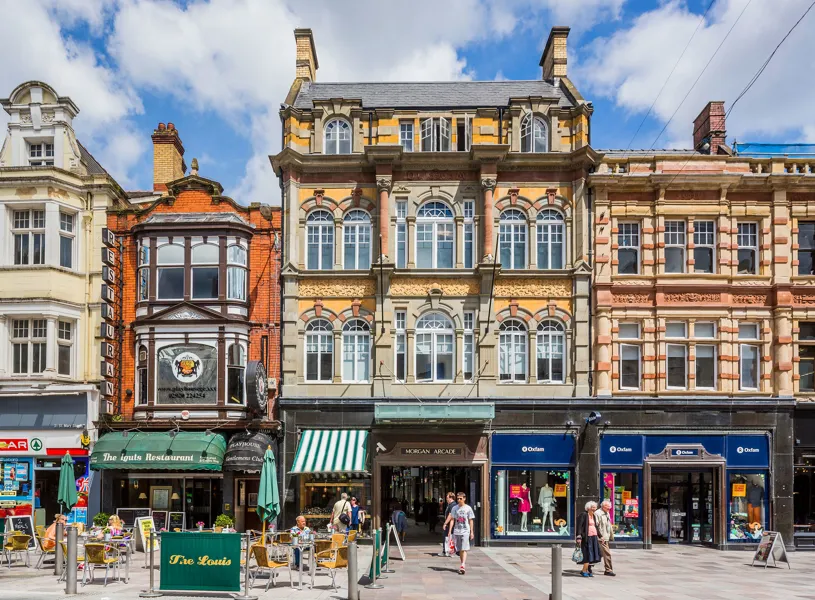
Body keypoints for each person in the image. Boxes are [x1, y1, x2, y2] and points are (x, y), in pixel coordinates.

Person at [444, 491, 475, 575]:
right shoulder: (455, 508)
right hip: (457, 531)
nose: (459, 500)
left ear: (464, 499)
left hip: (465, 531)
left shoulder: (468, 508)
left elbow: (471, 520)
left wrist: (472, 532)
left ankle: (462, 565)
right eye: (458, 499)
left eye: (460, 499)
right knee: (460, 549)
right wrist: (450, 531)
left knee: (464, 548)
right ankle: (462, 563)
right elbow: (452, 519)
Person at [575, 501, 602, 577]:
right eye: (593, 507)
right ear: (588, 508)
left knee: (592, 554)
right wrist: (579, 536)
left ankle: (588, 569)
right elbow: (579, 526)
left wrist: (600, 536)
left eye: (595, 507)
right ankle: (584, 570)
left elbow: (596, 527)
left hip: (594, 537)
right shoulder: (583, 515)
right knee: (587, 553)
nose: (595, 508)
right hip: (586, 537)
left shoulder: (593, 515)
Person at [594, 499, 616, 576]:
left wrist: (611, 535)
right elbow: (596, 526)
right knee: (607, 554)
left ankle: (588, 567)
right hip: (601, 537)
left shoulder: (607, 513)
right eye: (608, 507)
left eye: (610, 507)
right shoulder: (597, 513)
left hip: (606, 537)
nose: (609, 509)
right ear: (603, 506)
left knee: (598, 553)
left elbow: (608, 525)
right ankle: (608, 570)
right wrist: (600, 536)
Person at [442, 492, 456, 557]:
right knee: (447, 537)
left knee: (449, 538)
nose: (446, 499)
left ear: (451, 498)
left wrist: (445, 523)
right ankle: (446, 551)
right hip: (449, 524)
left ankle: (448, 551)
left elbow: (450, 515)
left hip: (450, 524)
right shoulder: (450, 504)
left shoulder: (452, 505)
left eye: (447, 498)